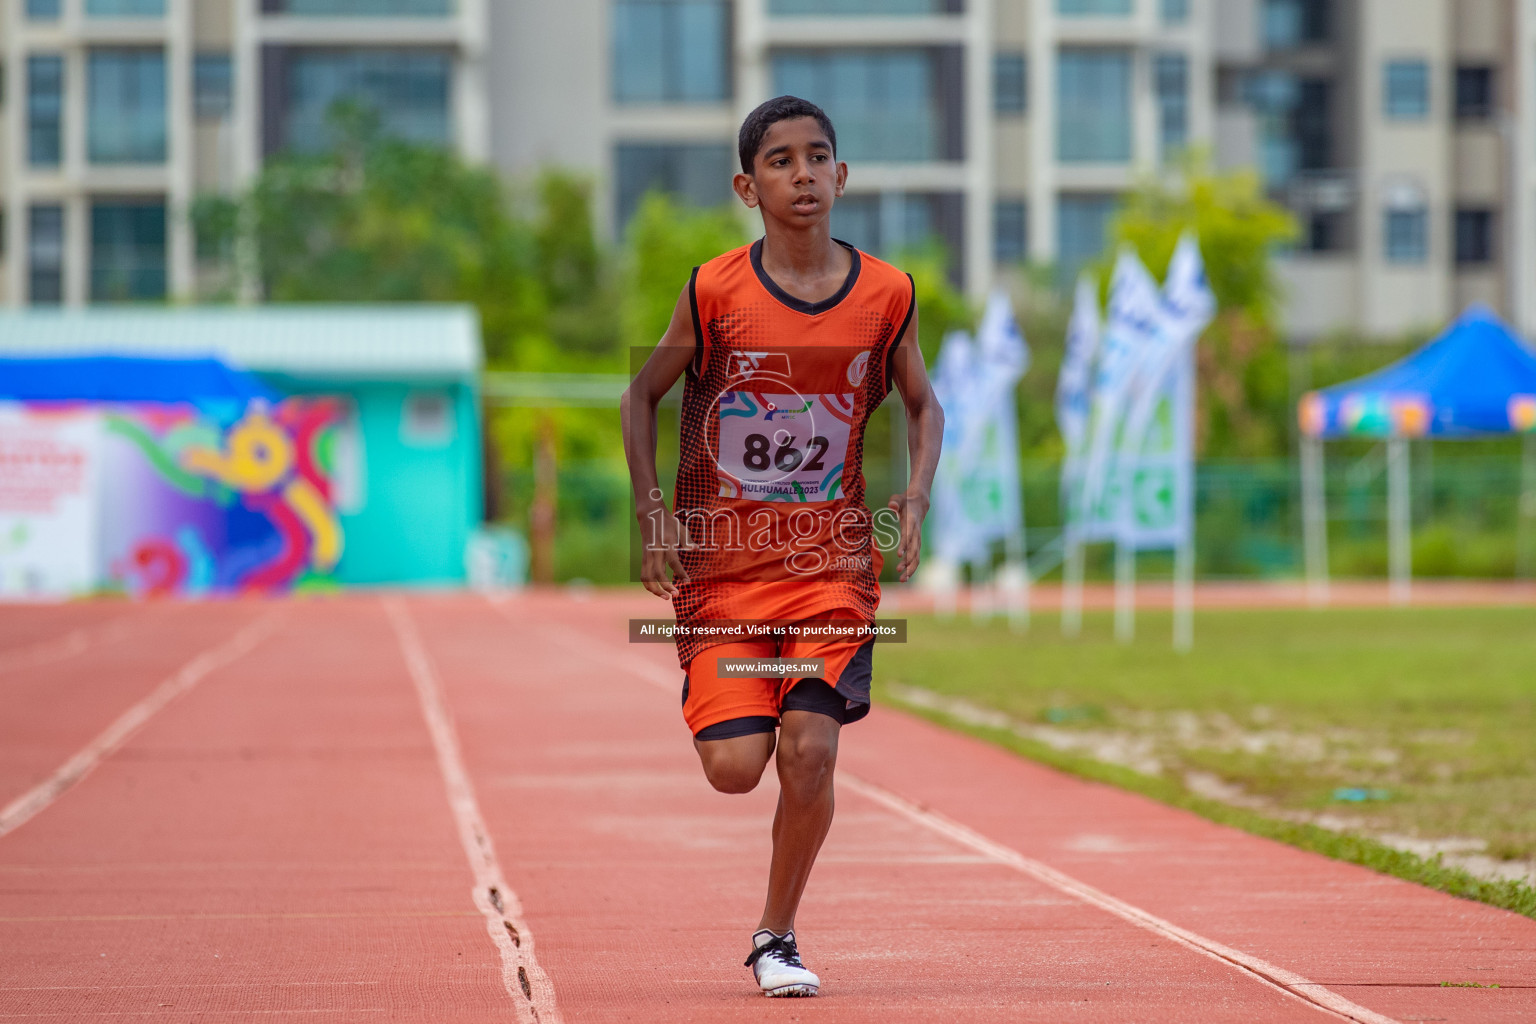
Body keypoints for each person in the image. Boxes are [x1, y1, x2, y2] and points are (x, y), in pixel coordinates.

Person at [620, 95, 944, 998]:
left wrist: (914, 496)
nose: (802, 175)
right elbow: (639, 395)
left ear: (841, 176)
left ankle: (777, 935)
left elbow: (922, 401)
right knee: (734, 770)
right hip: (725, 572)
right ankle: (727, 690)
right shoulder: (715, 289)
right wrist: (655, 515)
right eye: (780, 161)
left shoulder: (889, 293)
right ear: (746, 185)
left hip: (832, 569)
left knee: (810, 749)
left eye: (817, 158)